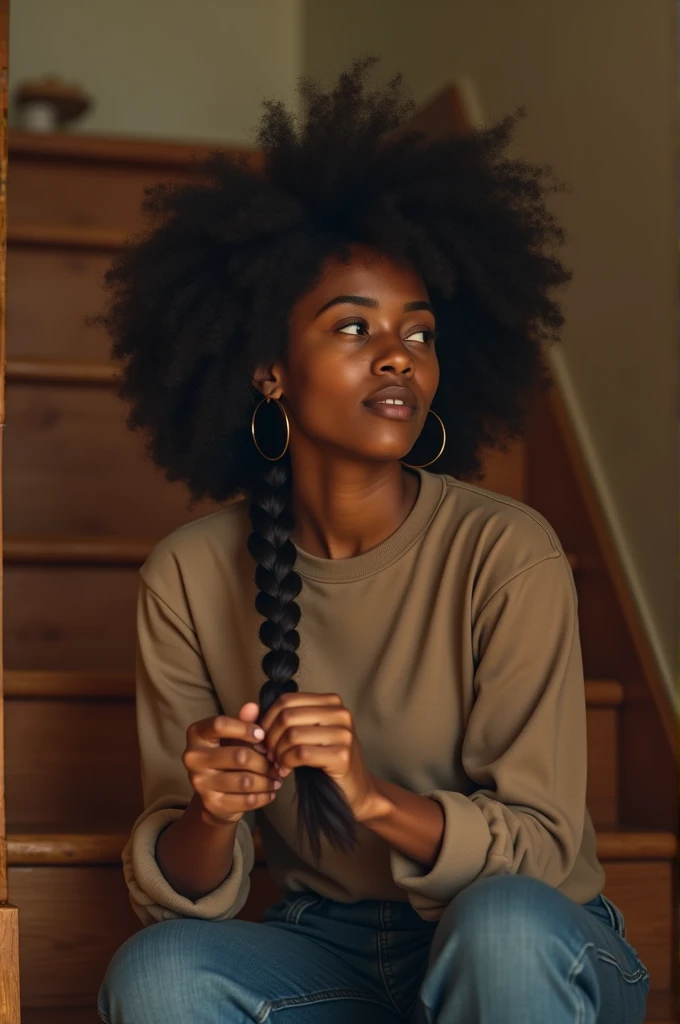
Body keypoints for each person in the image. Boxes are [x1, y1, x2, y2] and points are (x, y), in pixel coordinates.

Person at [95, 56, 649, 1024]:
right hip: (326, 950)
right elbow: (178, 883)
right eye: (352, 327)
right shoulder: (186, 576)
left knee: (503, 931)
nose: (398, 354)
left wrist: (372, 794)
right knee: (157, 974)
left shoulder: (505, 552)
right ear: (267, 369)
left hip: (526, 934)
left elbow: (544, 847)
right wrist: (212, 813)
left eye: (419, 332)